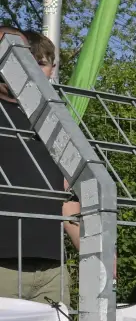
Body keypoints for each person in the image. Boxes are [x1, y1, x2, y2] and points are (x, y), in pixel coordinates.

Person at [0, 27, 76, 305]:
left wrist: (100, 257)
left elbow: (68, 198)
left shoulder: (55, 121)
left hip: (51, 268)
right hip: (3, 266)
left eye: (43, 63)